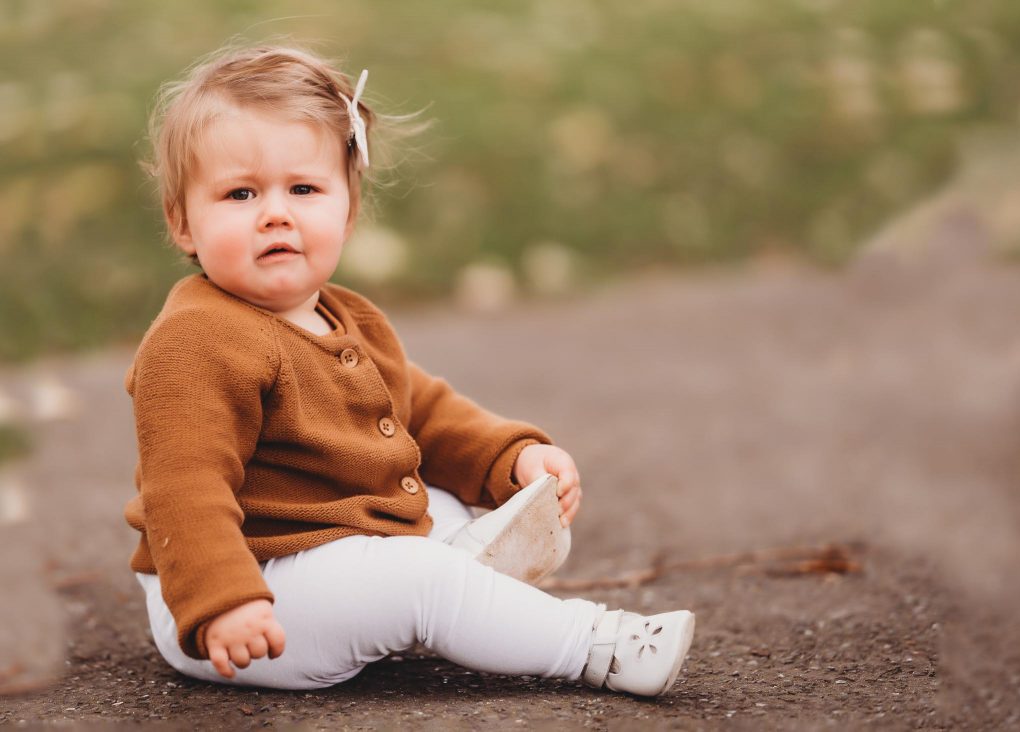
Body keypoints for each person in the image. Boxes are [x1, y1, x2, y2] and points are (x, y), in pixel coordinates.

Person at [125, 43, 695, 697]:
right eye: (240, 193)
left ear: (348, 209)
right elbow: (184, 489)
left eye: (304, 189)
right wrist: (221, 600)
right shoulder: (194, 341)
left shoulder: (348, 318)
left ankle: (461, 590)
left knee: (440, 506)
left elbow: (421, 409)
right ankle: (592, 643)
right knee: (414, 575)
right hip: (247, 602)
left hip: (329, 554)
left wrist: (511, 460)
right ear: (183, 222)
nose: (274, 212)